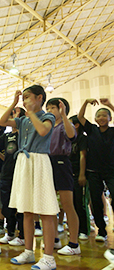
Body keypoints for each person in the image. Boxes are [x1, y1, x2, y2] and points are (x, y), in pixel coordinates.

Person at [0, 85, 59, 269]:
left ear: (39, 98)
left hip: (40, 161)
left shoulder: (47, 116)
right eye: (23, 98)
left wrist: (31, 112)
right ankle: (29, 251)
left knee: (46, 210)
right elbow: (2, 122)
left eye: (28, 97)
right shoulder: (23, 120)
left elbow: (42, 131)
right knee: (26, 210)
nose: (25, 101)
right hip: (23, 162)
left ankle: (49, 257)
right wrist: (13, 103)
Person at [46, 97, 80, 255]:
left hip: (61, 163)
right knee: (51, 207)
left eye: (54, 107)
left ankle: (74, 244)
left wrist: (65, 116)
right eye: (48, 108)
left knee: (67, 205)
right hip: (47, 163)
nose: (50, 111)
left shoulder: (65, 124)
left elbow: (72, 136)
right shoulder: (47, 126)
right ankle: (55, 240)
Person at [77, 98, 114, 242]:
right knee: (96, 202)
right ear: (95, 119)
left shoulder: (112, 131)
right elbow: (80, 117)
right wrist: (85, 102)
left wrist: (109, 105)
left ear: (110, 118)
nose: (102, 118)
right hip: (93, 172)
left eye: (105, 115)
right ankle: (102, 231)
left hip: (111, 171)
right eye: (99, 115)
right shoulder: (92, 130)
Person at [0, 107, 26, 246]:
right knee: (6, 204)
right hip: (6, 173)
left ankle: (22, 235)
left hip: (20, 173)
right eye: (12, 114)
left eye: (15, 113)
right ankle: (9, 232)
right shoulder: (6, 136)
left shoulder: (24, 134)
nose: (13, 116)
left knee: (20, 205)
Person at [69, 115, 90, 240]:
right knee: (71, 203)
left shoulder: (82, 138)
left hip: (78, 174)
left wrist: (82, 174)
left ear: (76, 125)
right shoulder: (68, 138)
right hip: (68, 174)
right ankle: (75, 229)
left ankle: (84, 230)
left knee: (80, 203)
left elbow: (83, 156)